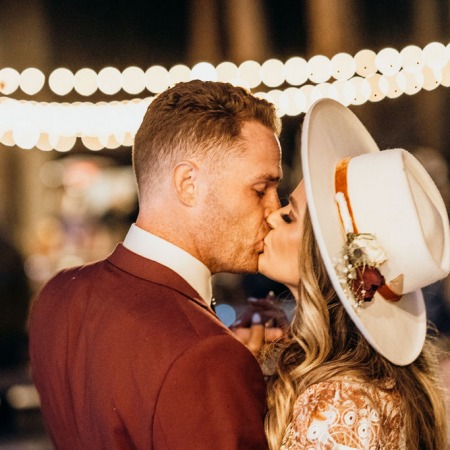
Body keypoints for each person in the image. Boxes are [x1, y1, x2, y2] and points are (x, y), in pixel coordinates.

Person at [28, 80, 283, 449]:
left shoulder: (57, 294)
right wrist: (225, 373)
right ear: (188, 183)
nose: (274, 210)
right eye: (260, 189)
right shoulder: (206, 355)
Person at [257, 98, 450, 449]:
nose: (271, 215)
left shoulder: (338, 403)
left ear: (321, 256)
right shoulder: (381, 383)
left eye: (290, 216)